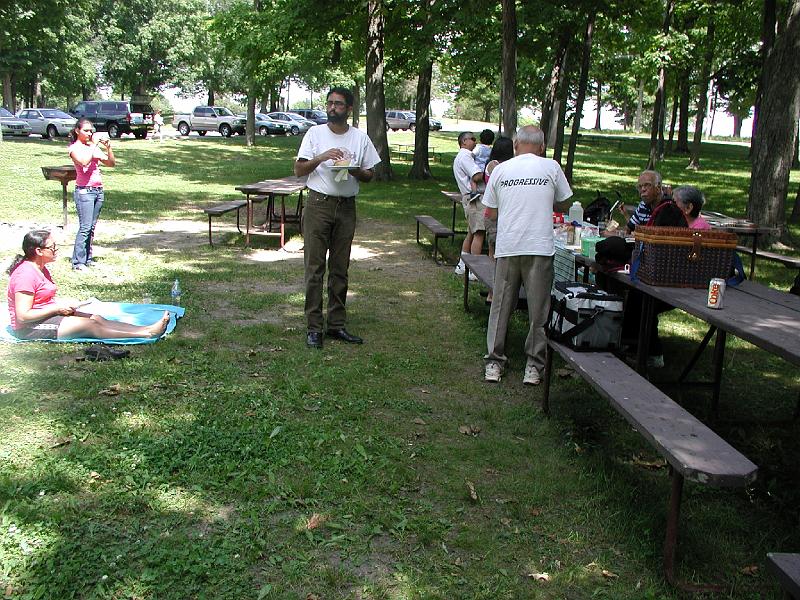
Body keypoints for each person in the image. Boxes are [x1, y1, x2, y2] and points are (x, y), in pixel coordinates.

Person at [481, 125, 573, 384]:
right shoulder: (552, 167)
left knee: (500, 307)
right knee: (538, 310)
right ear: (542, 146)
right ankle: (534, 365)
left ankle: (494, 362)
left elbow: (490, 213)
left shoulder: (500, 169)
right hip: (540, 247)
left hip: (508, 246)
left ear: (515, 144)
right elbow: (565, 201)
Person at [294, 87, 380, 349]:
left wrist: (354, 170)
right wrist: (321, 157)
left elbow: (370, 174)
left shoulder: (359, 138)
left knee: (340, 268)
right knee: (315, 268)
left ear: (349, 109)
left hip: (346, 207)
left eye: (339, 104)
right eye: (330, 103)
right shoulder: (315, 134)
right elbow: (299, 170)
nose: (333, 108)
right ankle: (313, 328)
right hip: (319, 204)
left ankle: (336, 325)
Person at [6, 230, 170, 340]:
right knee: (91, 326)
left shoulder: (41, 268)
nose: (56, 250)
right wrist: (56, 309)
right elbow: (23, 316)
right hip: (29, 329)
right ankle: (146, 334)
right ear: (38, 251)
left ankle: (145, 328)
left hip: (47, 316)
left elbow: (42, 300)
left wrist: (63, 305)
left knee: (96, 318)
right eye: (52, 248)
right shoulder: (25, 274)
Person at [69, 118, 115, 271]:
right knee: (85, 227)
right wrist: (94, 144)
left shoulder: (92, 147)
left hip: (97, 190)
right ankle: (78, 262)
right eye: (86, 130)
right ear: (77, 131)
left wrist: (108, 148)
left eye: (91, 131)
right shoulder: (74, 148)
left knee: (92, 227)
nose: (89, 134)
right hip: (84, 191)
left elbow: (110, 163)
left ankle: (87, 259)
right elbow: (83, 162)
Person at [482, 136, 514, 303]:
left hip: (504, 215)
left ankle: (497, 291)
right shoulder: (494, 165)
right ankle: (492, 292)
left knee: (496, 255)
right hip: (494, 216)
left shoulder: (502, 165)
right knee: (494, 256)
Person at [452, 132, 486, 278]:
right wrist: (488, 171)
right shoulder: (465, 156)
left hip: (468, 197)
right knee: (479, 233)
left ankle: (462, 264)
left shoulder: (462, 156)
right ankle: (474, 270)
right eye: (472, 139)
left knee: (472, 232)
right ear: (463, 141)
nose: (475, 141)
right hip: (475, 198)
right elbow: (476, 176)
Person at [618, 170, 668, 234]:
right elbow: (630, 229)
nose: (643, 189)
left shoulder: (668, 208)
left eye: (647, 185)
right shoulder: (643, 205)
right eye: (640, 186)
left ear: (658, 187)